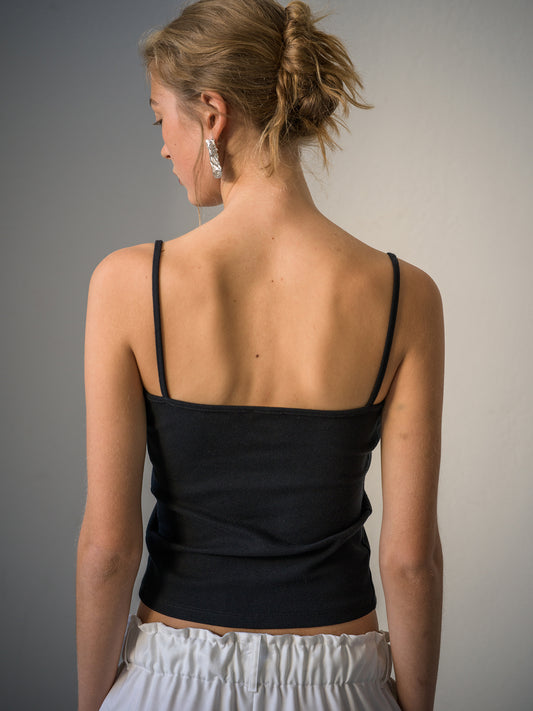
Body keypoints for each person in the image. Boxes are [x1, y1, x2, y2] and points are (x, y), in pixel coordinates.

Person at [76, 0, 444, 709]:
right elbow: (411, 560)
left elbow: (109, 549)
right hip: (342, 682)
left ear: (212, 113)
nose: (163, 148)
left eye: (160, 120)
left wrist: (95, 702)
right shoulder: (405, 294)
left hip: (171, 677)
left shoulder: (129, 283)